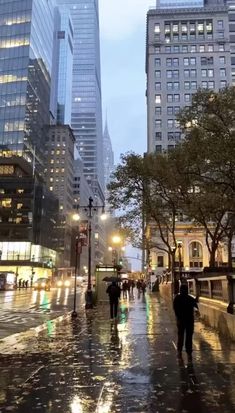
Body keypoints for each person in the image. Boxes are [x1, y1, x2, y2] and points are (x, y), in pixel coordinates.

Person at [173, 283, 199, 362]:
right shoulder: (189, 298)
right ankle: (189, 353)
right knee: (189, 337)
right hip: (189, 321)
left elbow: (175, 309)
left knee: (180, 336)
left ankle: (179, 351)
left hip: (181, 320)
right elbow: (196, 307)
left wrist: (178, 317)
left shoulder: (177, 298)